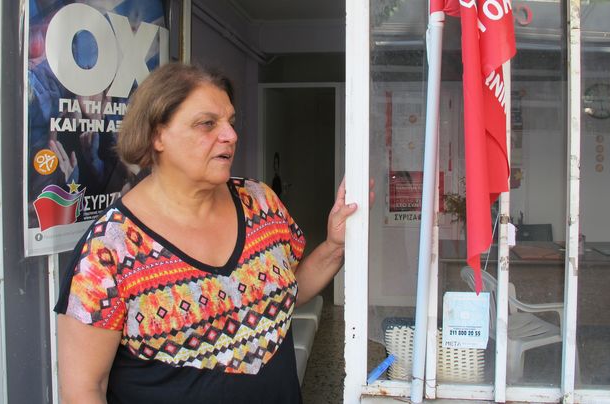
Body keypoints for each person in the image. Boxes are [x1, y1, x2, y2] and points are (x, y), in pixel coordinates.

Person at [54, 62, 372, 403]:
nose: (231, 136)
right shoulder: (108, 251)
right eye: (207, 123)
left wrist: (335, 245)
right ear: (157, 135)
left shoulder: (261, 202)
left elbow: (288, 292)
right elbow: (83, 388)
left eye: (230, 123)